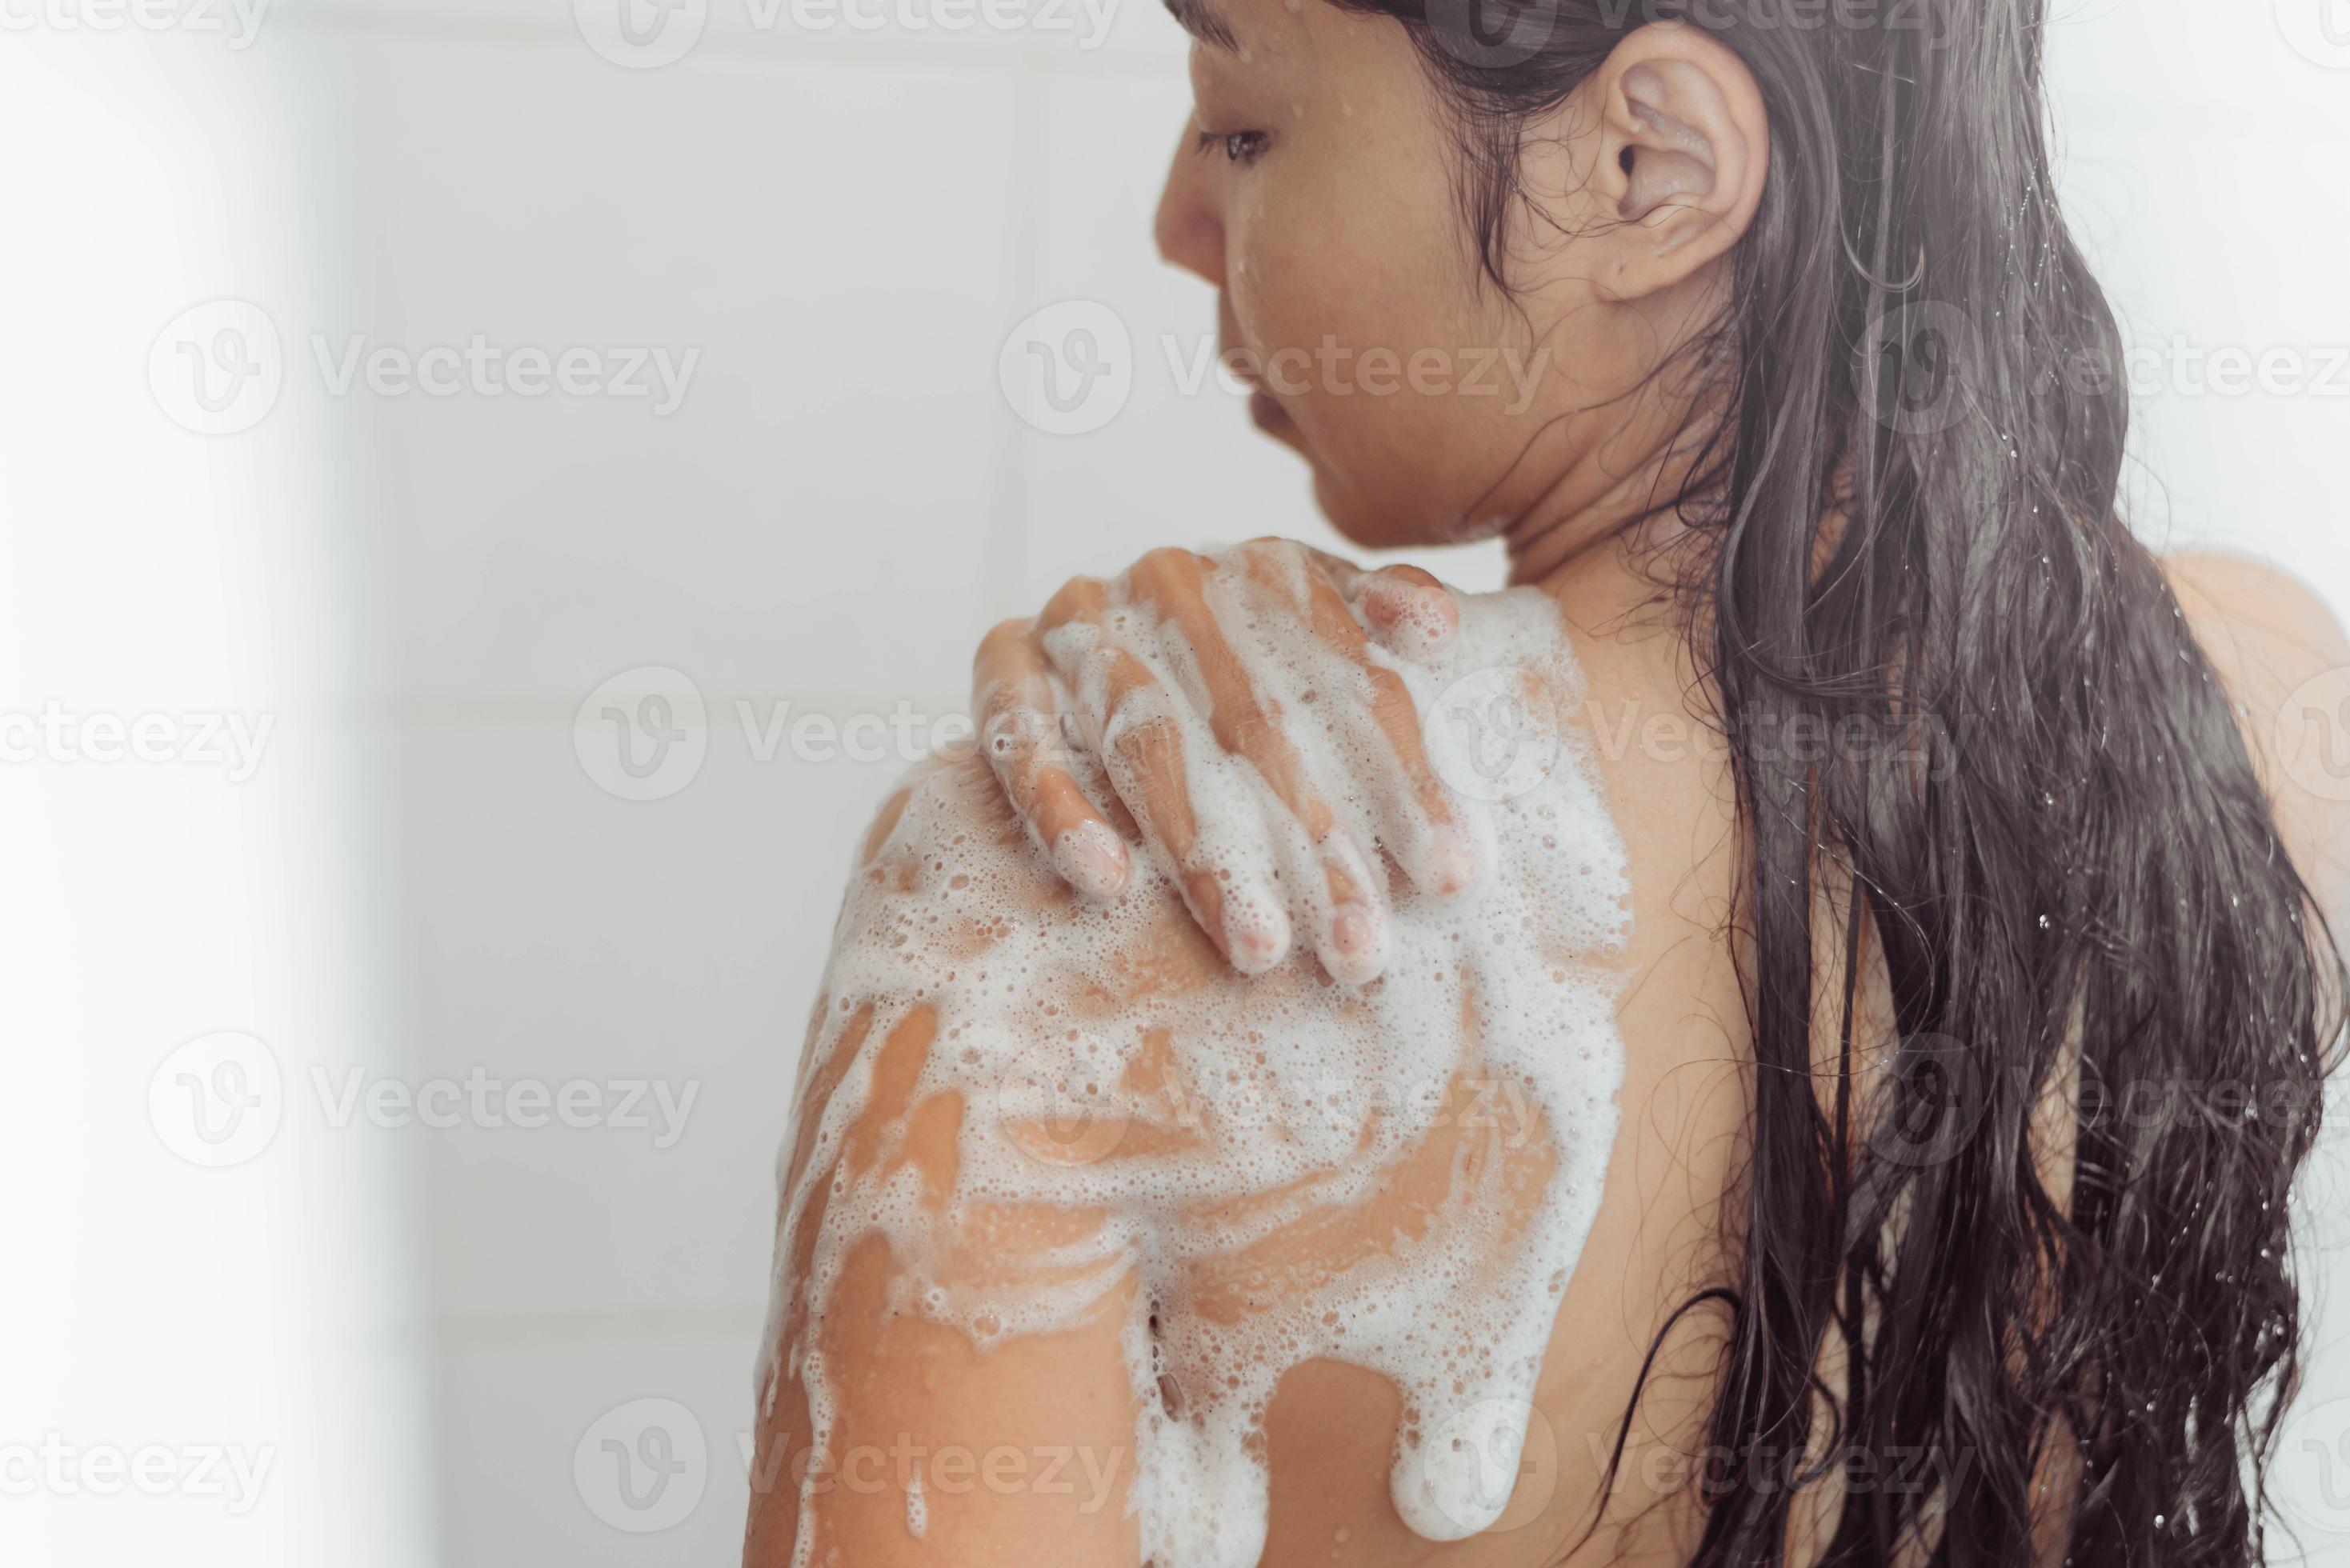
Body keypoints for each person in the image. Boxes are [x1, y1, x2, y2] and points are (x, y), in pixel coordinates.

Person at [744, 2, 2350, 1563]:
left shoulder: (1081, 894)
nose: (1175, 218)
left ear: (1647, 169)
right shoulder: (2260, 705)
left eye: (1246, 122)